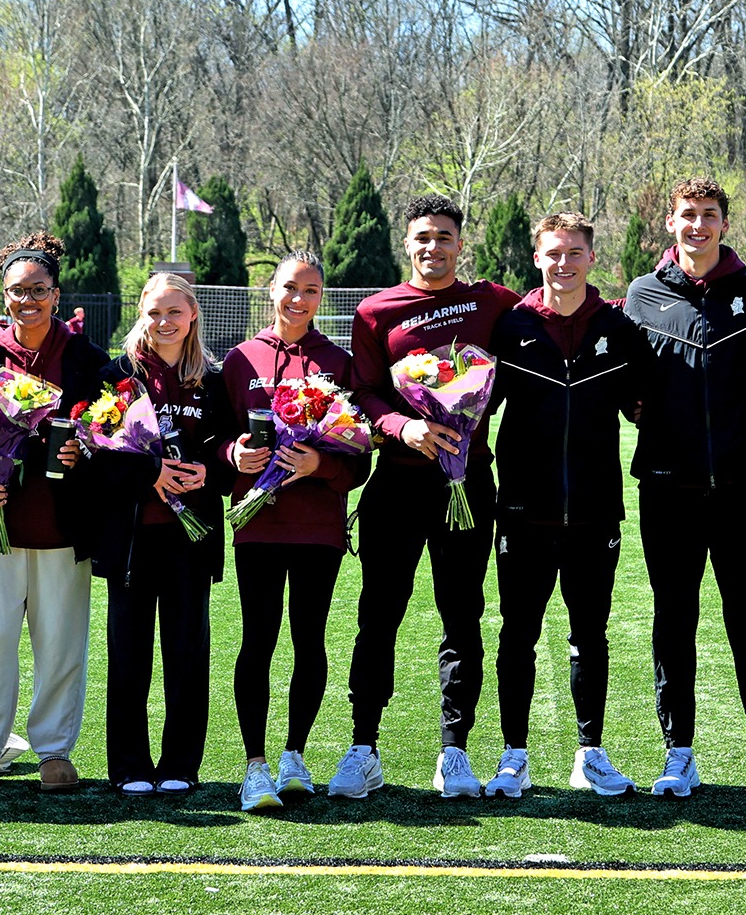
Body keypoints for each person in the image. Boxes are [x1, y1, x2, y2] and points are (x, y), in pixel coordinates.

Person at [329, 194, 519, 799]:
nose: (432, 246)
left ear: (460, 244)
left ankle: (454, 753)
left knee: (462, 614)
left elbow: (547, 318)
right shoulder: (376, 311)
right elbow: (362, 392)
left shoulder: (491, 300)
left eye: (443, 236)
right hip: (398, 486)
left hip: (468, 484)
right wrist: (402, 426)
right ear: (405, 245)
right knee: (379, 613)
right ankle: (363, 748)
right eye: (422, 237)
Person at [626, 176, 746, 800]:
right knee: (674, 620)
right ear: (671, 224)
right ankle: (679, 753)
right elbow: (627, 383)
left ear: (725, 224)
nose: (698, 225)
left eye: (709, 215)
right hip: (667, 490)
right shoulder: (643, 296)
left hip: (741, 489)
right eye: (687, 215)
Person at [483, 213, 649, 798]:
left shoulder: (618, 327)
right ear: (537, 259)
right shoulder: (513, 327)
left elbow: (643, 406)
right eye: (553, 253)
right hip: (523, 510)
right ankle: (513, 756)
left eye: (574, 252)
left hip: (595, 511)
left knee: (591, 636)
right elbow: (474, 407)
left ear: (591, 258)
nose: (564, 263)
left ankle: (591, 754)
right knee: (517, 635)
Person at [0, 232, 109, 794]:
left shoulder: (89, 360)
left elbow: (114, 434)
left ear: (56, 293)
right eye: (18, 291)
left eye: (39, 289)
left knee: (61, 641)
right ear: (4, 294)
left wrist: (83, 450)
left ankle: (53, 749)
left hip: (64, 526)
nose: (29, 300)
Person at [220, 252, 370, 810]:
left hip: (318, 528)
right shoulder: (240, 359)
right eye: (289, 287)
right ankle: (254, 763)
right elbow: (218, 440)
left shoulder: (339, 362)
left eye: (310, 290)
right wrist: (234, 453)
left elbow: (360, 460)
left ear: (321, 297)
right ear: (271, 290)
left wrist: (320, 467)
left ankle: (294, 756)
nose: (298, 299)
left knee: (309, 639)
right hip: (257, 523)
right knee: (257, 639)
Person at [86, 273, 225, 796]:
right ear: (140, 314)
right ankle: (128, 766)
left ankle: (180, 765)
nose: (164, 322)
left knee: (187, 654)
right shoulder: (115, 375)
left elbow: (232, 447)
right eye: (154, 312)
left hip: (190, 537)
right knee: (128, 654)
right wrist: (150, 475)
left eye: (175, 312)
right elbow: (95, 457)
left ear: (192, 316)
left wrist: (210, 469)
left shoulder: (213, 377)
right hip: (131, 539)